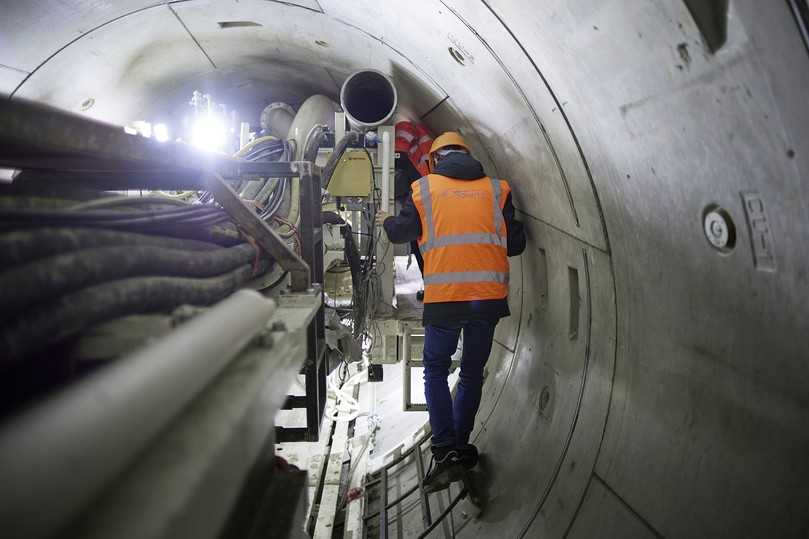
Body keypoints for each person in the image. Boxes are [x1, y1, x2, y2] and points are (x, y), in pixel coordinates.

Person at [376, 131, 526, 491]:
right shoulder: (497, 190)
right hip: (487, 300)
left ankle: (443, 451)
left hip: (445, 299)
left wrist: (385, 219)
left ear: (434, 160)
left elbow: (401, 233)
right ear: (468, 155)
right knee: (472, 373)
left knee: (435, 371)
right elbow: (516, 242)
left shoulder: (424, 190)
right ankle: (460, 445)